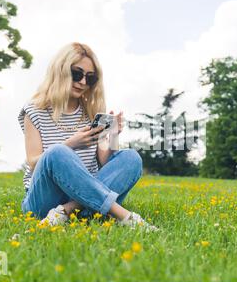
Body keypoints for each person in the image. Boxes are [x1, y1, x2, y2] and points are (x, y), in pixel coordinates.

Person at [18, 42, 157, 231]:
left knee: (131, 158)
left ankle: (67, 211)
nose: (83, 82)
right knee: (57, 152)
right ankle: (124, 216)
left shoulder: (91, 111)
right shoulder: (34, 110)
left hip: (86, 195)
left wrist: (113, 136)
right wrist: (71, 144)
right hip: (43, 201)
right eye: (77, 74)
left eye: (90, 78)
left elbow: (104, 163)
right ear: (61, 71)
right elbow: (33, 161)